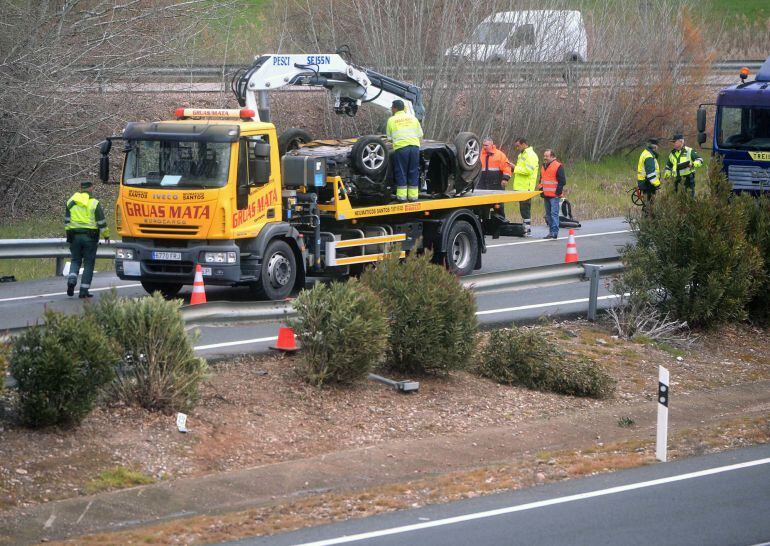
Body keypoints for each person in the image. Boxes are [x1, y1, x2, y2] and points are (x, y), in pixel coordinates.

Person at [64, 180, 110, 298]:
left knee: (75, 260)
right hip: (90, 237)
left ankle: (72, 280)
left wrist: (69, 234)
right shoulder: (94, 203)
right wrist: (106, 235)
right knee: (88, 263)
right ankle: (84, 291)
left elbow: (67, 221)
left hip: (74, 236)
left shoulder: (71, 202)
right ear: (90, 188)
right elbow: (101, 222)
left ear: (80, 188)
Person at [386, 99, 423, 202]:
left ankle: (402, 197)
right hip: (415, 147)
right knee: (413, 171)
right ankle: (413, 196)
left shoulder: (391, 120)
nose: (391, 109)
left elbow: (389, 137)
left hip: (401, 148)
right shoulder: (413, 118)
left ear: (395, 108)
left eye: (392, 107)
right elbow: (420, 134)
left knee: (401, 171)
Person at [511, 137, 539, 236]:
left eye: (518, 146)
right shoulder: (522, 155)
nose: (517, 148)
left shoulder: (531, 155)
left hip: (526, 187)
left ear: (524, 144)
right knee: (523, 209)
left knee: (525, 208)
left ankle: (527, 230)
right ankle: (525, 228)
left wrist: (515, 168)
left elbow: (528, 171)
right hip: (520, 187)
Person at [538, 149, 566, 239]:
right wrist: (541, 190)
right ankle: (551, 232)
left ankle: (554, 232)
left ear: (552, 156)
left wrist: (557, 193)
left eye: (547, 156)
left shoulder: (558, 166)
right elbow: (541, 180)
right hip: (546, 194)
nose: (545, 158)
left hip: (554, 196)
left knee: (554, 214)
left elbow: (562, 181)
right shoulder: (543, 166)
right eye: (544, 156)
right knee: (548, 214)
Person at [637, 138, 661, 209]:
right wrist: (657, 184)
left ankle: (645, 219)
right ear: (655, 147)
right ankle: (647, 219)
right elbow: (650, 174)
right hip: (648, 184)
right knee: (649, 206)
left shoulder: (645, 153)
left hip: (644, 183)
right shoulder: (649, 156)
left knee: (647, 205)